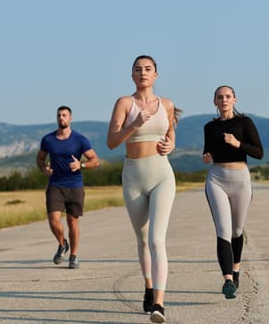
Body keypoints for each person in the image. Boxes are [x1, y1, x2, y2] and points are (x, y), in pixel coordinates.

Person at [107, 55, 180, 323]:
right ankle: (148, 287)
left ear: (156, 75)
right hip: (133, 176)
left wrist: (171, 144)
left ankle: (159, 303)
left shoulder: (167, 104)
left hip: (162, 174)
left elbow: (170, 133)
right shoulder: (124, 103)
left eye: (148, 69)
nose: (143, 73)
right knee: (142, 238)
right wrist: (135, 124)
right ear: (132, 76)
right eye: (138, 70)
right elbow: (112, 142)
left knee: (157, 240)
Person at [202, 85, 263, 299]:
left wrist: (238, 143)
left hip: (241, 180)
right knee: (223, 230)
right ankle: (228, 279)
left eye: (228, 96)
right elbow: (208, 151)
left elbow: (258, 152)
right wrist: (207, 157)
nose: (224, 100)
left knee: (237, 230)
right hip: (216, 179)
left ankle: (236, 269)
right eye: (220, 97)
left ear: (235, 100)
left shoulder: (244, 122)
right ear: (215, 102)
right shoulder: (209, 127)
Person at [36, 105, 100, 269]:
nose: (61, 118)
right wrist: (44, 169)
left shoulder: (80, 139)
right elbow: (40, 158)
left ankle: (74, 256)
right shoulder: (48, 139)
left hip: (75, 185)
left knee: (72, 221)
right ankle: (62, 242)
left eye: (64, 115)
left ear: (70, 118)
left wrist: (82, 165)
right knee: (53, 220)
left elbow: (95, 160)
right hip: (55, 184)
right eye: (59, 115)